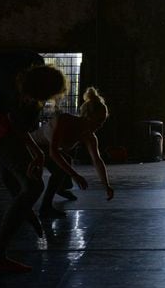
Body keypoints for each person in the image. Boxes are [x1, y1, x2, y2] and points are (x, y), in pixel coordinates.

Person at [0, 50, 82, 274]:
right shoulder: (12, 100)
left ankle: (21, 205)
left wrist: (36, 153)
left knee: (15, 168)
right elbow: (14, 129)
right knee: (33, 185)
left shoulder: (27, 62)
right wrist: (36, 153)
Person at [34, 87, 114, 218]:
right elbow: (53, 152)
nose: (100, 126)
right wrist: (75, 175)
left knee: (67, 164)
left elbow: (97, 160)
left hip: (46, 148)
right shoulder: (65, 120)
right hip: (33, 146)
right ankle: (45, 207)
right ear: (88, 116)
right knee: (61, 170)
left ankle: (60, 188)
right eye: (99, 121)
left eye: (103, 122)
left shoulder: (90, 136)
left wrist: (107, 186)